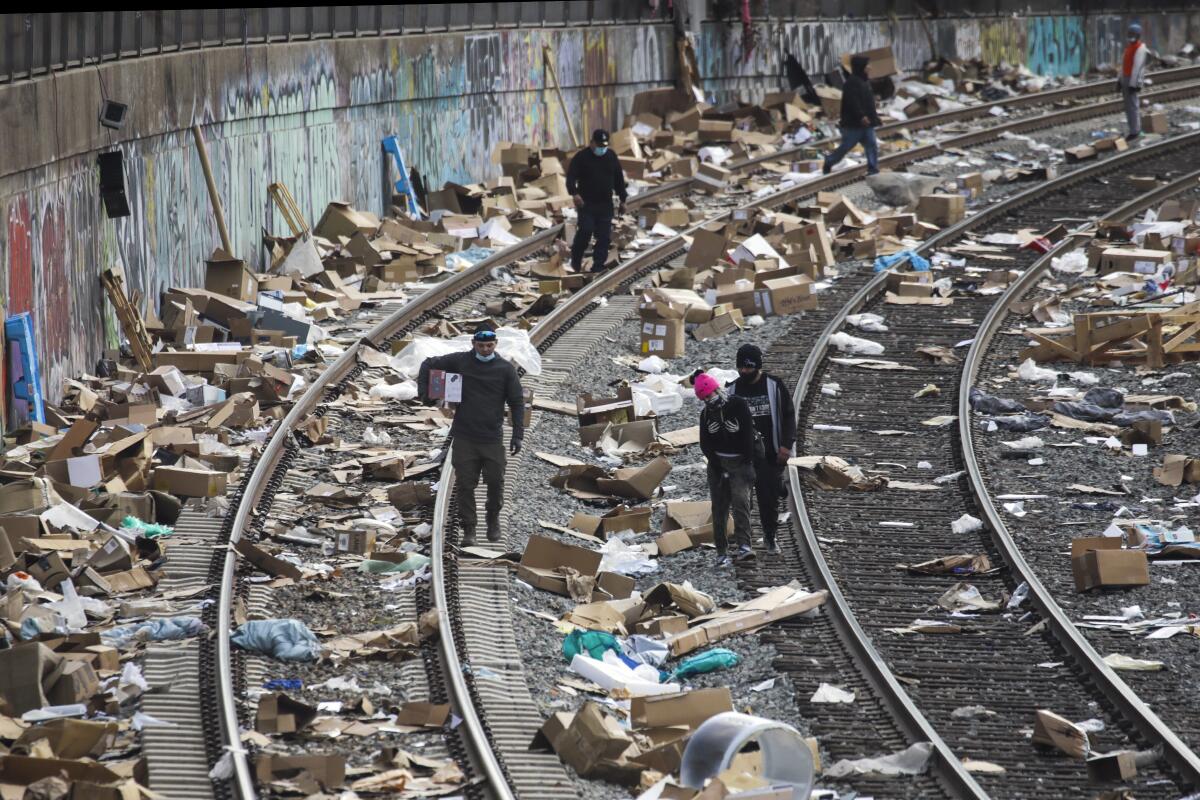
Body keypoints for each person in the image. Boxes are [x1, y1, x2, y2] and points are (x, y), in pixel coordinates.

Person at [417, 330, 525, 545]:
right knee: (466, 485)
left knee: (496, 482)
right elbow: (428, 364)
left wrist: (517, 435)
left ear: (496, 344)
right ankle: (470, 528)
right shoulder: (460, 362)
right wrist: (426, 394)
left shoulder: (505, 370)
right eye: (481, 346)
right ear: (473, 343)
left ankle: (492, 519)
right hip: (465, 436)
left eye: (490, 346)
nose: (485, 350)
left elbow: (517, 402)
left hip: (492, 437)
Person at [728, 344, 795, 555]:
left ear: (758, 367)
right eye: (741, 368)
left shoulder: (774, 386)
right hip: (743, 457)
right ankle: (744, 544)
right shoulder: (732, 390)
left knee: (769, 500)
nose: (744, 372)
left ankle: (769, 536)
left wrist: (786, 445)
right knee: (741, 501)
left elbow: (789, 416)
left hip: (770, 454)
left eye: (748, 368)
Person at [696, 372, 758, 566]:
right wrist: (716, 464)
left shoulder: (738, 405)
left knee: (741, 503)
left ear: (717, 390)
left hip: (739, 463)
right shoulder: (706, 414)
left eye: (709, 395)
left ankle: (744, 546)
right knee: (719, 508)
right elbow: (705, 443)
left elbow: (748, 434)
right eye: (705, 398)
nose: (709, 400)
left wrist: (747, 462)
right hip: (718, 464)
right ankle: (722, 551)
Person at [566, 129, 627, 273]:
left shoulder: (611, 156)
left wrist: (623, 199)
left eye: (604, 145)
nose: (601, 148)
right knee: (585, 231)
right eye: (599, 145)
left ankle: (598, 267)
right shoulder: (581, 157)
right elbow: (570, 178)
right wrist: (574, 194)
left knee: (604, 237)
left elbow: (619, 180)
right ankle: (576, 260)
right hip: (587, 204)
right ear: (592, 142)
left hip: (605, 204)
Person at [822, 55, 881, 176]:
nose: (869, 67)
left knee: (872, 145)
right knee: (846, 146)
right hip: (855, 124)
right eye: (867, 65)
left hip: (867, 123)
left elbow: (867, 102)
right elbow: (853, 102)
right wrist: (861, 116)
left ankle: (873, 169)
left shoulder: (864, 81)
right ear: (861, 67)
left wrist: (874, 117)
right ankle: (829, 161)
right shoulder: (852, 82)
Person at [1118, 24, 1148, 140]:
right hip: (1126, 78)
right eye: (1129, 34)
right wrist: (1119, 80)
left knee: (1133, 106)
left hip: (1132, 80)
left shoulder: (1140, 48)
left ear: (1138, 36)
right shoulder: (1129, 48)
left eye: (1133, 34)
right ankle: (1132, 129)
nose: (1130, 36)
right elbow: (1124, 65)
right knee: (1128, 106)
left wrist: (1136, 84)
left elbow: (1139, 68)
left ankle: (1135, 131)